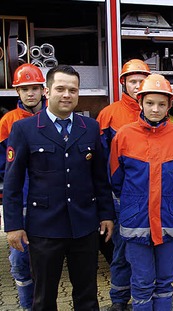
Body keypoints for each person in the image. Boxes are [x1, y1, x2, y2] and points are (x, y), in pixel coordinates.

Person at [3, 65, 115, 311]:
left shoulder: (90, 127)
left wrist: (106, 214)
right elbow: (13, 182)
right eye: (60, 89)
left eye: (72, 90)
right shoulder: (24, 129)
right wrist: (13, 226)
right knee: (44, 297)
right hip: (44, 228)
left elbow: (99, 178)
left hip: (84, 227)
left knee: (87, 295)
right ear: (47, 91)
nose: (67, 95)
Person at [109, 74, 173, 310]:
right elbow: (116, 179)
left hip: (168, 220)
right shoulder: (124, 135)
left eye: (162, 104)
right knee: (142, 283)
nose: (155, 109)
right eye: (150, 103)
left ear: (169, 106)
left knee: (165, 282)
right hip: (137, 222)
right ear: (140, 102)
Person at [97, 58, 151, 311]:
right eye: (133, 81)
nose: (138, 85)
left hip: (151, 196)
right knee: (121, 250)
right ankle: (119, 299)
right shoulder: (109, 114)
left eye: (142, 80)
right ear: (123, 83)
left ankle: (144, 295)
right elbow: (100, 159)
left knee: (145, 250)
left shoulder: (156, 110)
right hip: (121, 196)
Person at [0, 63, 47, 310]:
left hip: (47, 205)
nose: (30, 93)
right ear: (17, 92)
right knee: (19, 261)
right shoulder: (8, 122)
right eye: (24, 89)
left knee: (46, 262)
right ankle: (28, 306)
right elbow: (5, 172)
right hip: (22, 203)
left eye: (34, 88)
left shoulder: (53, 117)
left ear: (43, 90)